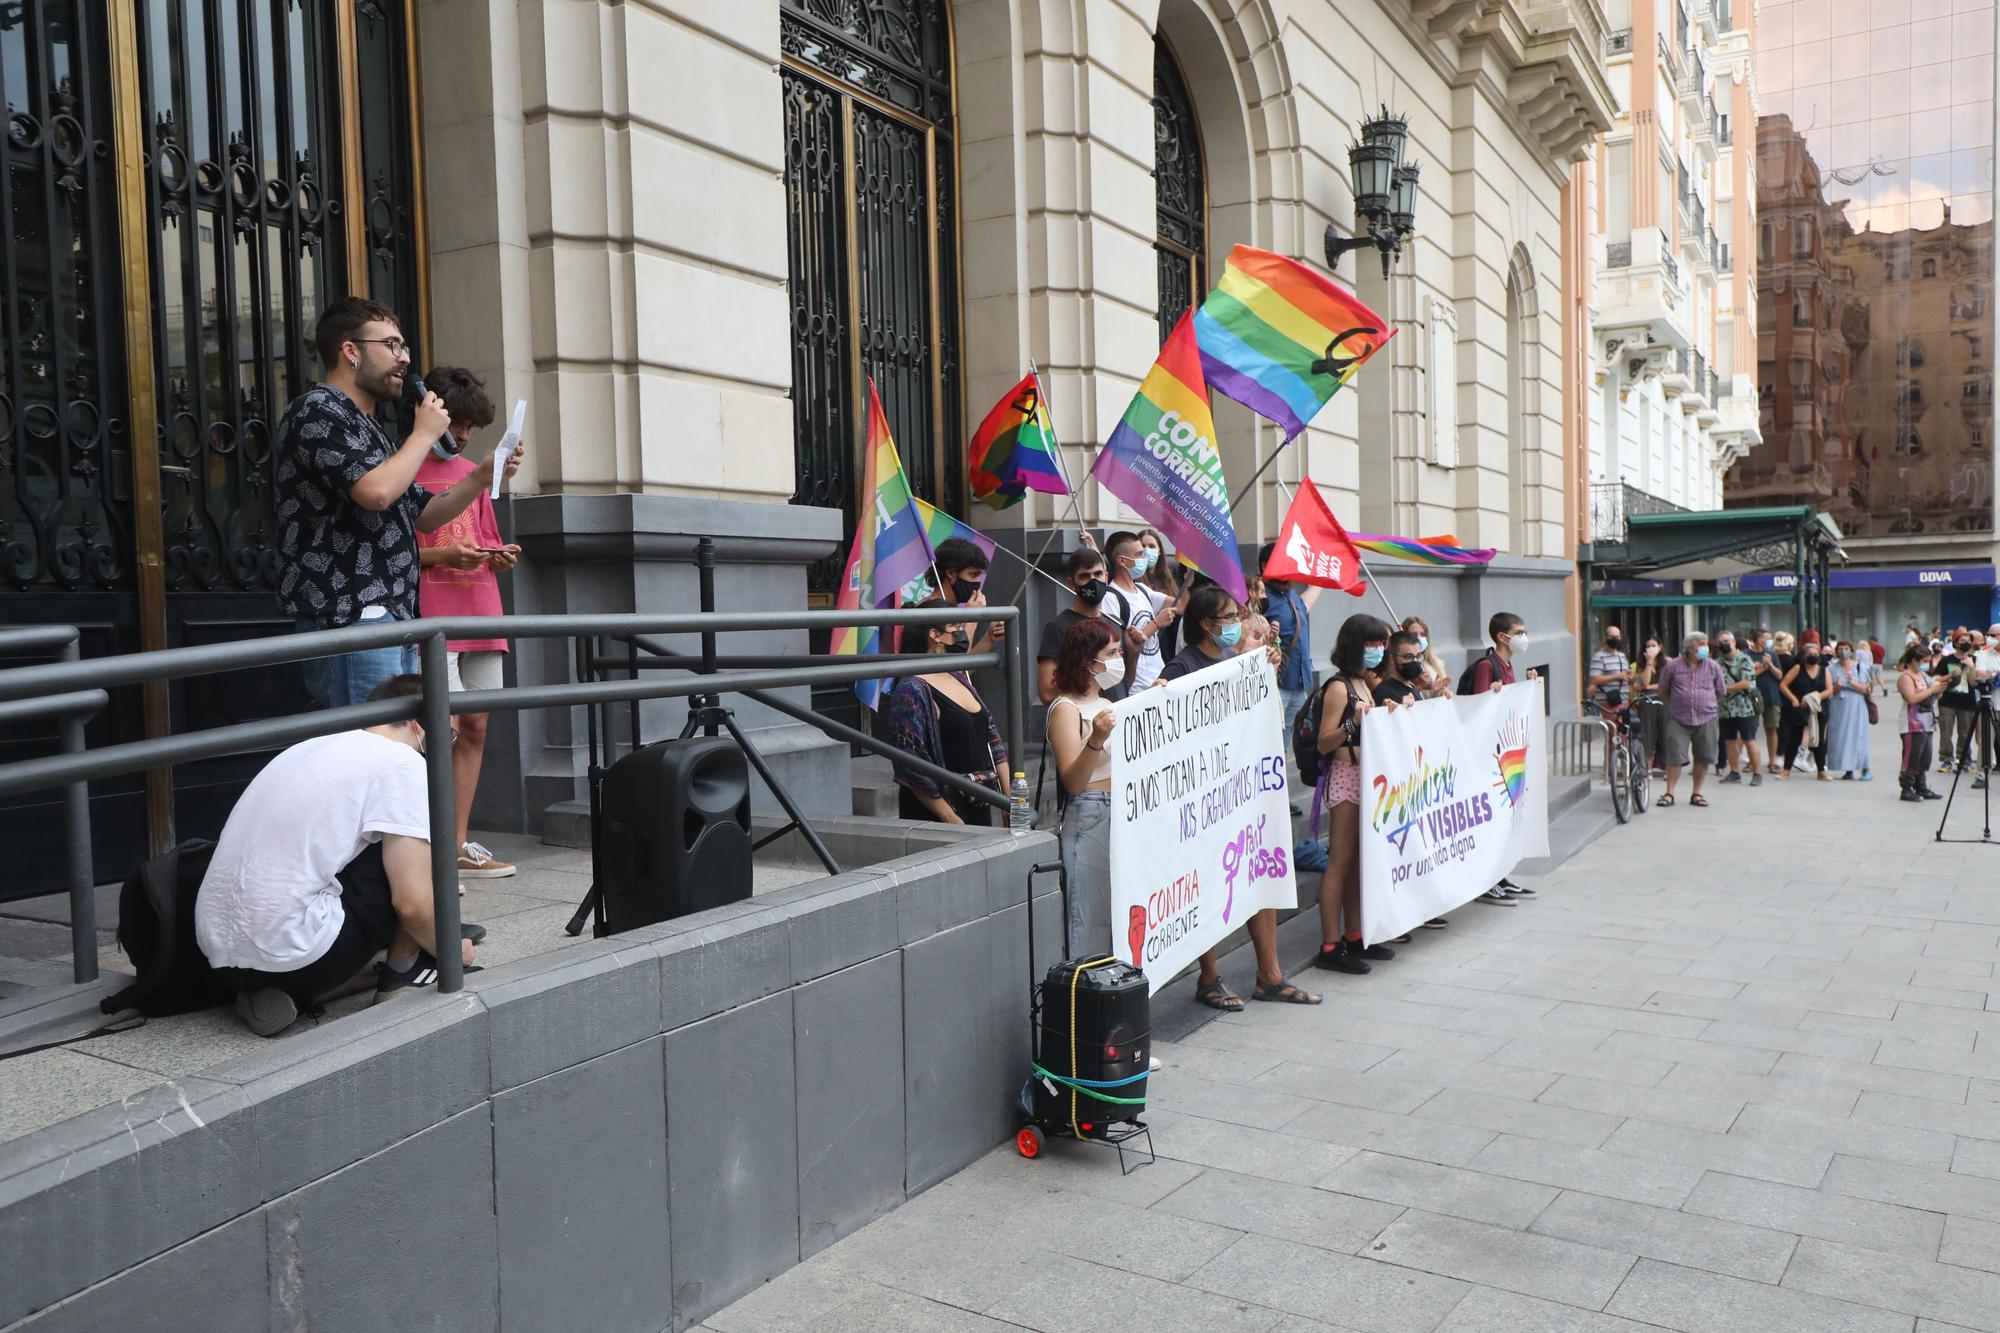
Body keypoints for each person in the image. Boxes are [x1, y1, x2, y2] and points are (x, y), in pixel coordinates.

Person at [195, 675, 483, 1037]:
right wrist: (451, 952)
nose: (448, 747)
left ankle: (289, 996)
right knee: (421, 846)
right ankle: (401, 974)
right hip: (294, 954)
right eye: (450, 735)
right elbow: (410, 902)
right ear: (420, 724)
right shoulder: (402, 762)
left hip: (218, 956)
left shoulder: (312, 746)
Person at [275, 298, 524, 708]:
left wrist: (481, 475)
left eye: (404, 347)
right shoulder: (317, 411)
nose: (404, 359)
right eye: (391, 345)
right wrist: (424, 435)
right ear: (351, 351)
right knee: (370, 745)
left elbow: (423, 515)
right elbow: (376, 493)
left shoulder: (369, 427)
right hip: (350, 615)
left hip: (391, 613)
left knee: (394, 743)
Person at [1155, 585, 1319, 1006]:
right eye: (1229, 618)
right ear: (1206, 625)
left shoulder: (1233, 661)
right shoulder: (1181, 668)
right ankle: (1209, 977)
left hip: (1238, 793)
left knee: (1257, 873)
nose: (1235, 624)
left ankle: (1270, 975)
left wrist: (1265, 669)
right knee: (1207, 883)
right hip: (1202, 800)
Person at [413, 366, 519, 881]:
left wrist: (496, 555)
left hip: (481, 608)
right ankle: (423, 845)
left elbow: (484, 534)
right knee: (441, 730)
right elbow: (394, 554)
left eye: (473, 431)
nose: (464, 439)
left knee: (475, 726)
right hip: (432, 616)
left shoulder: (473, 473)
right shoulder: (405, 466)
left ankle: (456, 842)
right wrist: (441, 557)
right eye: (460, 427)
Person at [1313, 614, 1405, 968]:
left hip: (1368, 779)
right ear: (1355, 644)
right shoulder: (1339, 687)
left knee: (1357, 864)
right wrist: (1353, 721)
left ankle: (1354, 936)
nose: (1379, 649)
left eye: (1381, 643)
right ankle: (1330, 947)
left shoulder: (1365, 682)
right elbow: (1324, 743)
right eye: (1371, 643)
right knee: (1340, 862)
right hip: (1347, 778)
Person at [882, 600, 1008, 825]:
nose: (962, 633)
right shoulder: (911, 690)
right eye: (956, 628)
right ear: (935, 635)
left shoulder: (958, 675)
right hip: (940, 816)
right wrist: (950, 817)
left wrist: (1010, 800)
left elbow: (993, 741)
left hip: (978, 803)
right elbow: (911, 763)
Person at [1467, 612, 1537, 900]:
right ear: (1502, 637)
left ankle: (1501, 874)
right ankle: (1488, 880)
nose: (1524, 637)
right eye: (1519, 632)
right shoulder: (1487, 666)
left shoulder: (1507, 666)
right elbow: (1479, 708)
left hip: (1506, 754)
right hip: (1489, 758)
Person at [1036, 546, 1144, 704]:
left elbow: (1123, 683)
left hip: (1117, 716)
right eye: (1085, 576)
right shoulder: (1059, 627)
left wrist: (1133, 654)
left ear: (1106, 577)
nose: (1093, 581)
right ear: (1072, 583)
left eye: (1098, 574)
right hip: (1086, 720)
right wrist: (1091, 667)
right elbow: (1046, 693)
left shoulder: (1115, 623)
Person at [1655, 632, 1726, 808]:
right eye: (1701, 644)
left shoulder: (1713, 666)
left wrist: (1706, 702)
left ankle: (1697, 793)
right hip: (1679, 718)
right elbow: (1663, 689)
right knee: (1674, 756)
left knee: (1703, 756)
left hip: (1706, 717)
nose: (1705, 647)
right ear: (1689, 647)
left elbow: (1721, 691)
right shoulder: (1673, 666)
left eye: (1706, 643)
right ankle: (1669, 793)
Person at [1105, 530, 1174, 691]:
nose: (1145, 558)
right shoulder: (1111, 598)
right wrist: (1156, 624)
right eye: (1139, 554)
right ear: (1122, 561)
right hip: (1137, 688)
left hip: (1159, 681)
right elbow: (1120, 648)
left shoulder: (1142, 590)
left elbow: (1182, 605)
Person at [932, 535, 1006, 658]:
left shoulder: (953, 611)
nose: (977, 583)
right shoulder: (928, 610)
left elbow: (961, 674)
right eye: (972, 575)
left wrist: (989, 638)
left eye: (978, 576)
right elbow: (959, 666)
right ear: (951, 573)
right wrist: (972, 618)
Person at [1777, 641, 1835, 779]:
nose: (1814, 656)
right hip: (1800, 708)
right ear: (1804, 656)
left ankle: (1821, 771)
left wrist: (1814, 697)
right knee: (1795, 738)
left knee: (1819, 739)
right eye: (1810, 654)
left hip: (1818, 708)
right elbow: (1783, 685)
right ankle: (1786, 770)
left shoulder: (1824, 670)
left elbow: (1829, 690)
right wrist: (1794, 699)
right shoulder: (1798, 668)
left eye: (1816, 654)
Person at [1898, 644, 1949, 801]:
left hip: (1927, 722)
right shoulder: (1906, 677)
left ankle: (1921, 786)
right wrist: (1931, 691)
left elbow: (1934, 695)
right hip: (1912, 723)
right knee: (1912, 757)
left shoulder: (1924, 676)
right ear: (1914, 660)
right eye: (1924, 660)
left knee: (1924, 757)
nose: (1926, 663)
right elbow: (1912, 698)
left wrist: (1940, 689)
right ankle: (1906, 787)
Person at [1714, 631, 1765, 786]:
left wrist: (1724, 689)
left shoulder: (1744, 659)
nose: (1724, 644)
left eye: (1727, 641)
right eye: (1721, 642)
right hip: (1725, 708)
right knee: (1729, 741)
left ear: (1734, 642)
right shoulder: (1717, 663)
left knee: (1749, 740)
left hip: (1745, 707)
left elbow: (1746, 683)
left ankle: (1757, 773)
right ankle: (1734, 771)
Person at [1824, 640, 1874, 781]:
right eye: (1840, 648)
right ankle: (1848, 768)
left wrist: (1852, 683)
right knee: (1840, 737)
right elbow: (1828, 690)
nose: (1843, 651)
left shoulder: (1859, 667)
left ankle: (1865, 768)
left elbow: (1866, 689)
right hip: (1838, 705)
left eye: (1846, 648)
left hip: (1856, 705)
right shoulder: (1831, 668)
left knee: (1858, 736)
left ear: (1851, 651)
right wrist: (1836, 687)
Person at [1138, 528, 1186, 658]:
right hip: (1150, 641)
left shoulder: (1169, 578)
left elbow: (1182, 606)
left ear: (1159, 551)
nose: (1147, 550)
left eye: (1151, 546)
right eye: (1143, 546)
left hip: (1171, 639)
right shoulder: (1135, 581)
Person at [1751, 629, 1786, 773]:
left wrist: (1770, 665)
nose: (1769, 641)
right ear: (1758, 639)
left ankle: (1772, 762)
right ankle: (1751, 761)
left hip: (1771, 696)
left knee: (1771, 729)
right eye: (1766, 638)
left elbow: (1779, 676)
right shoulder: (1747, 655)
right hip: (1753, 695)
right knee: (1749, 731)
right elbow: (1749, 674)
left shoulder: (1771, 654)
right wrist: (1762, 667)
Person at [1401, 616, 1454, 698]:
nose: (1419, 638)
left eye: (1422, 634)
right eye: (1414, 634)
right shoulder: (1402, 666)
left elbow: (1442, 692)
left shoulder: (1437, 664)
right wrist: (1418, 686)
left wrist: (1444, 693)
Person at [1587, 624, 1632, 716]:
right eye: (1612, 636)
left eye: (1617, 636)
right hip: (1607, 703)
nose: (1615, 639)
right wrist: (1616, 676)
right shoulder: (1599, 657)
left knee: (1624, 729)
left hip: (1623, 701)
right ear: (1605, 638)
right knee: (1612, 729)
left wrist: (1630, 676)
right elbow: (1594, 679)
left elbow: (1627, 676)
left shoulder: (1622, 656)